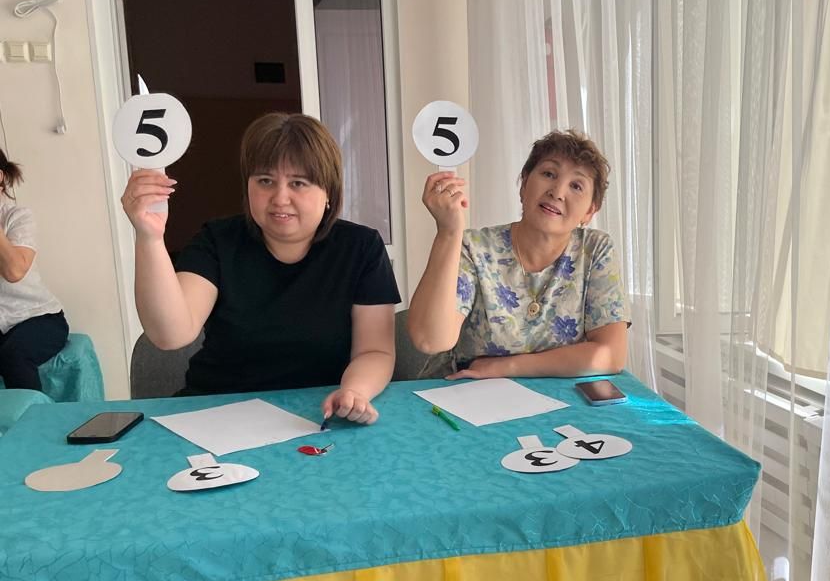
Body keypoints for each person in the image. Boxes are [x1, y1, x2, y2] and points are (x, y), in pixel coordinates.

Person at [121, 113, 399, 422]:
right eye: (266, 181)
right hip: (217, 414)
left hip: (318, 413)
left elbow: (375, 351)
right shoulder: (217, 240)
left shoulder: (361, 247)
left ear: (329, 193)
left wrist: (355, 392)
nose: (280, 198)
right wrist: (149, 237)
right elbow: (170, 334)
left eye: (298, 183)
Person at [407, 128, 628, 378]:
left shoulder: (595, 249)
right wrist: (448, 232)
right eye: (548, 174)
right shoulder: (474, 247)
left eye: (576, 186)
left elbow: (611, 354)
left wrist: (506, 367)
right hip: (464, 388)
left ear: (590, 212)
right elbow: (430, 340)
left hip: (551, 396)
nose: (557, 192)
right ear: (524, 184)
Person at [0, 149, 68, 391]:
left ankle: (31, 416)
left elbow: (15, 271)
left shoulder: (18, 217)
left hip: (38, 318)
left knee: (13, 355)